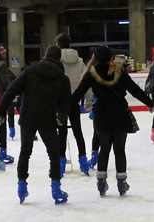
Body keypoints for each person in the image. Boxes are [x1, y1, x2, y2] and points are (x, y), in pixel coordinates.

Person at [72, 46, 154, 197]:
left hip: (102, 113)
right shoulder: (119, 71)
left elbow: (78, 94)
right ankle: (121, 182)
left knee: (104, 149)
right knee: (119, 150)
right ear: (111, 57)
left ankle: (101, 182)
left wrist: (64, 108)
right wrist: (148, 102)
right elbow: (133, 89)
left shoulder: (92, 73)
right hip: (119, 112)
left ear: (95, 58)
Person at [0, 46, 71, 205]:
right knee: (54, 153)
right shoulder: (62, 78)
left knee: (25, 151)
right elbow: (65, 103)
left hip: (28, 117)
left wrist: (1, 110)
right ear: (59, 59)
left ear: (44, 56)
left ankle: (21, 185)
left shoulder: (29, 72)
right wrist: (62, 117)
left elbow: (11, 90)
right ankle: (56, 188)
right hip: (48, 119)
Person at [55, 33, 89, 177]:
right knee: (78, 131)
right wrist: (89, 101)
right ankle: (83, 159)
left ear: (57, 44)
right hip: (74, 100)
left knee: (61, 132)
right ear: (70, 44)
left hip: (60, 101)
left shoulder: (56, 60)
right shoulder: (80, 61)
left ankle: (61, 161)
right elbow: (86, 81)